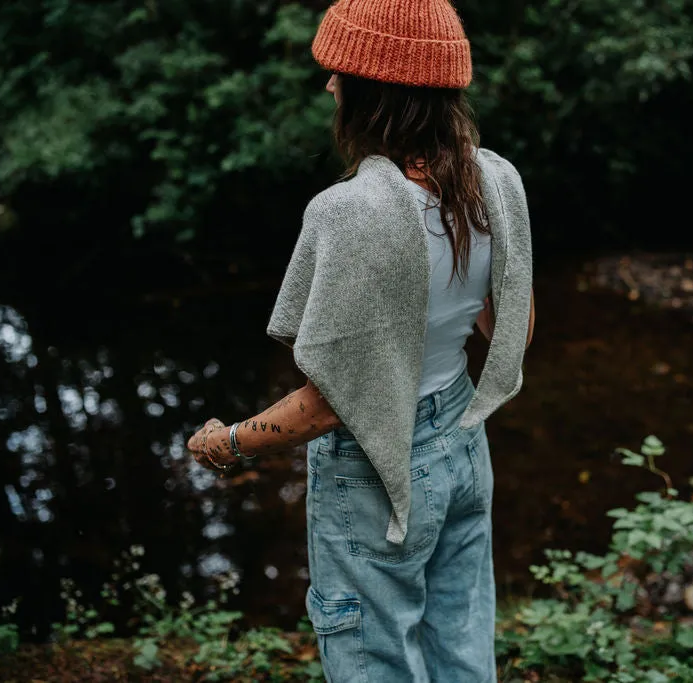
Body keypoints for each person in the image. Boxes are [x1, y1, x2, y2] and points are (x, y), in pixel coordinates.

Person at [186, 0, 535, 680]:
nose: (328, 86)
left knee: (377, 659)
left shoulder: (349, 211)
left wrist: (226, 442)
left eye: (338, 72)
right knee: (462, 651)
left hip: (378, 471)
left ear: (376, 89)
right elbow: (509, 330)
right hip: (462, 443)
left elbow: (330, 404)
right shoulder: (493, 179)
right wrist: (447, 303)